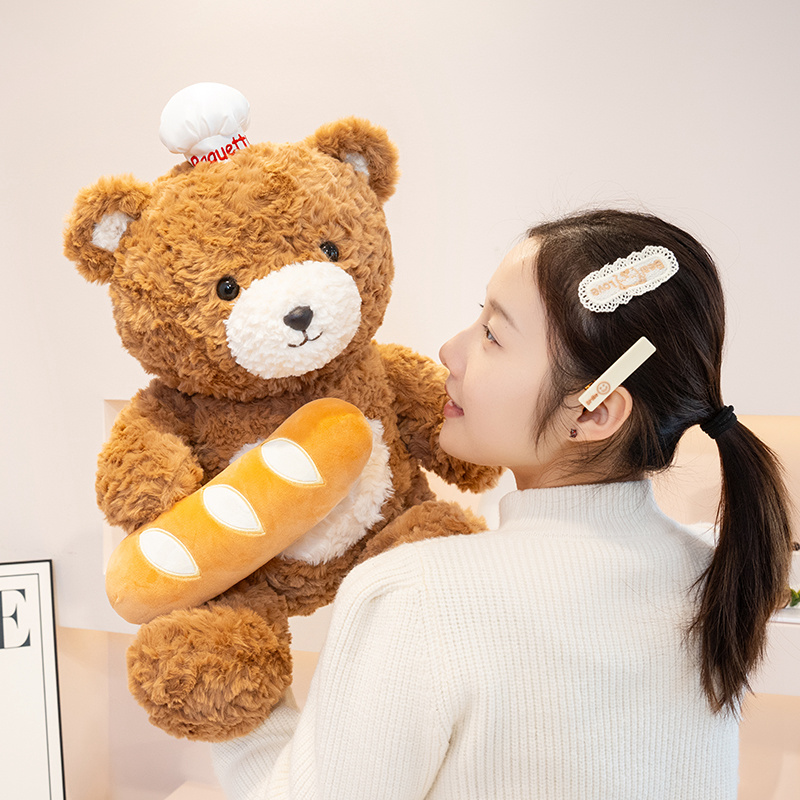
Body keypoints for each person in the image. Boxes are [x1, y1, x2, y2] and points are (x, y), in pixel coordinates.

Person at [211, 209, 794, 799]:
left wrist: (228, 660)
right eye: (479, 317)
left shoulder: (415, 596)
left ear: (594, 410)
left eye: (493, 335)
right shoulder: (714, 574)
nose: (450, 350)